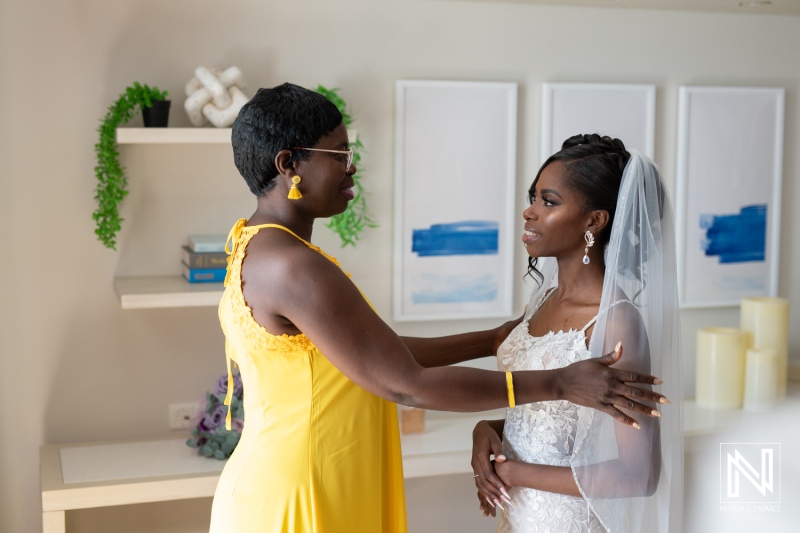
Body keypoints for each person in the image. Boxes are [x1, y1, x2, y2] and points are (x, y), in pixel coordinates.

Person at [208, 85, 669, 533]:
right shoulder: (292, 267)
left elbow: (370, 353)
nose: (353, 169)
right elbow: (405, 383)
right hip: (302, 487)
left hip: (294, 473)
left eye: (547, 201)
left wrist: (491, 344)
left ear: (595, 221)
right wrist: (558, 383)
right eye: (339, 155)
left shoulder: (256, 247)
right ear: (289, 164)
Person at [470, 134, 682, 533]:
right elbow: (544, 418)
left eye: (548, 201)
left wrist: (511, 473)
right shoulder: (543, 300)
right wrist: (486, 430)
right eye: (533, 198)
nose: (529, 212)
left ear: (594, 221)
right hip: (517, 517)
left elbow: (637, 475)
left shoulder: (616, 321)